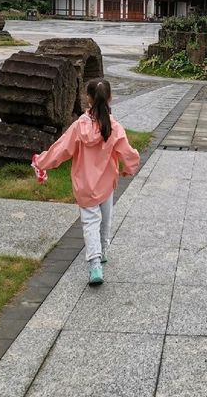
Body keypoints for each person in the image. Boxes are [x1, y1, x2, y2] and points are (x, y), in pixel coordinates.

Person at [32, 78, 140, 285]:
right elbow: (128, 152)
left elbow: (61, 149)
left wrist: (42, 162)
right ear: (110, 98)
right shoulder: (114, 127)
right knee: (106, 218)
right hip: (106, 183)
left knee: (90, 222)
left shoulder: (79, 127)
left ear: (88, 99)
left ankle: (95, 263)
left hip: (84, 185)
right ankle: (103, 249)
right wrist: (128, 168)